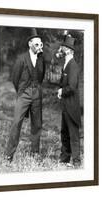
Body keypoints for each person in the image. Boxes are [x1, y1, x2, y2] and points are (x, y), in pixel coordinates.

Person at [6, 35, 45, 162]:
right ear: (30, 44)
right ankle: (9, 155)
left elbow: (41, 76)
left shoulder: (41, 59)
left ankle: (35, 153)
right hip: (24, 94)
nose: (39, 47)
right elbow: (15, 78)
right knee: (17, 122)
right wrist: (22, 92)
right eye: (37, 44)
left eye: (41, 44)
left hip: (37, 94)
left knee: (37, 124)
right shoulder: (21, 58)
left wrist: (36, 89)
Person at [56, 35, 81, 167]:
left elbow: (71, 86)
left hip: (72, 106)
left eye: (64, 47)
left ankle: (76, 161)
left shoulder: (73, 66)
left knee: (73, 134)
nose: (61, 49)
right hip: (66, 105)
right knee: (64, 133)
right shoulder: (66, 64)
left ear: (69, 51)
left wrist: (61, 91)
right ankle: (64, 159)